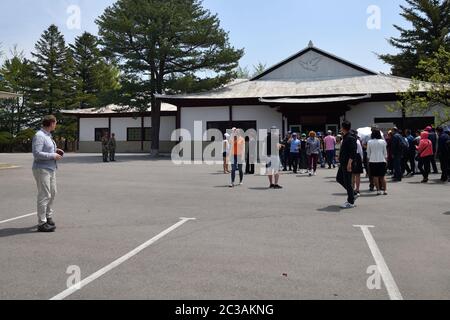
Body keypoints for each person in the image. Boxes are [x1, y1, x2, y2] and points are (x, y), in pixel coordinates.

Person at [32, 115, 64, 232]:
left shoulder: (48, 136)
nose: (56, 125)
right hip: (41, 169)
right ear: (51, 123)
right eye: (55, 123)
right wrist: (53, 155)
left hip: (51, 168)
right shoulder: (39, 135)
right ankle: (42, 222)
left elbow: (46, 150)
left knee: (53, 193)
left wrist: (56, 151)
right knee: (44, 195)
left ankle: (48, 216)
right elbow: (37, 153)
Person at [336, 121, 357, 209]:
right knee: (339, 178)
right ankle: (353, 194)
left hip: (348, 163)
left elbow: (353, 152)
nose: (340, 129)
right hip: (343, 163)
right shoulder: (345, 137)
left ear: (343, 128)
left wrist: (349, 164)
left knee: (348, 181)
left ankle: (350, 201)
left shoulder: (350, 138)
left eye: (341, 127)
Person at [367, 129, 388, 195]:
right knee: (382, 176)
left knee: (375, 177)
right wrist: (386, 160)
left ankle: (378, 190)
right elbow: (385, 153)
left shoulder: (369, 142)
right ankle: (385, 190)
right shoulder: (383, 142)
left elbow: (368, 153)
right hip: (382, 160)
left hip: (372, 161)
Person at [352, 130, 364, 198]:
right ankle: (357, 189)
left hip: (350, 157)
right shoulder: (357, 141)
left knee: (352, 175)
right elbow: (360, 151)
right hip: (357, 156)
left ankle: (352, 189)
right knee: (358, 175)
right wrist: (362, 158)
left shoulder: (346, 140)